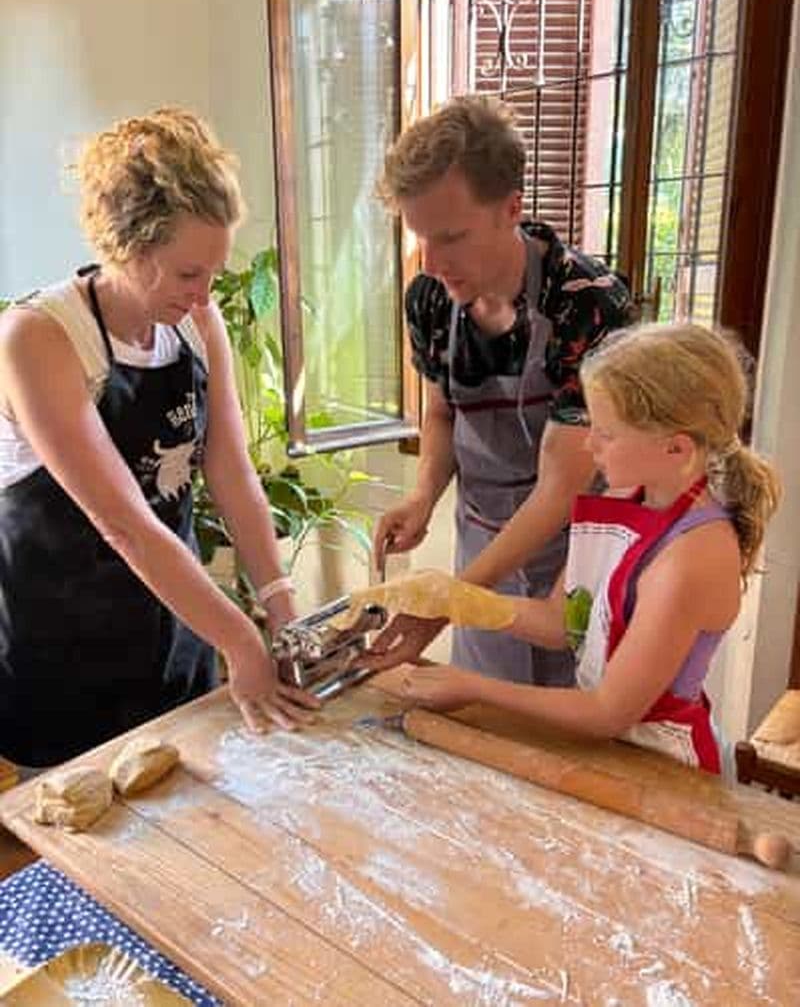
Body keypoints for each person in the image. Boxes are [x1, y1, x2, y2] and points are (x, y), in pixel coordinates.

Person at [0, 107, 316, 768]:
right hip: (61, 657)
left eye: (214, 272)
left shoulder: (197, 325)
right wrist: (241, 637)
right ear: (127, 248)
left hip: (174, 638)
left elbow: (231, 476)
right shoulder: (41, 338)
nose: (205, 295)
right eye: (187, 274)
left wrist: (280, 607)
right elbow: (125, 524)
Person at [393, 322, 781, 773]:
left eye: (607, 433)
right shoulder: (624, 498)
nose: (590, 444)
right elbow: (562, 621)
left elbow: (608, 711)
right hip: (609, 751)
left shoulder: (693, 557)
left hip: (667, 767)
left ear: (676, 449)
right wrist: (455, 599)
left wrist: (473, 687)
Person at [371, 94, 630, 684]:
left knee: (563, 735)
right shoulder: (433, 300)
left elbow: (561, 488)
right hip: (480, 545)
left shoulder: (586, 304)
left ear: (511, 208)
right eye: (420, 239)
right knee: (484, 716)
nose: (432, 261)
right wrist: (423, 496)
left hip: (572, 559)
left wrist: (448, 602)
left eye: (452, 237)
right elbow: (441, 414)